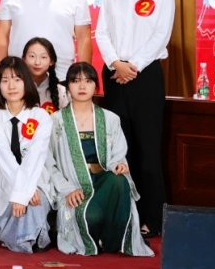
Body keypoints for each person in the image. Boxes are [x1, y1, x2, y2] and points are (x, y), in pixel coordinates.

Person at [95, 0, 174, 238]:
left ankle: (152, 218)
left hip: (146, 75)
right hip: (115, 75)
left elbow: (160, 36)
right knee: (121, 150)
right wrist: (116, 64)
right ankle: (125, 216)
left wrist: (133, 66)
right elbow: (102, 33)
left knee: (148, 150)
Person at [45, 63, 154, 256]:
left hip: (104, 181)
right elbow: (49, 164)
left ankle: (113, 240)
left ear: (96, 86)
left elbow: (119, 153)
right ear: (67, 86)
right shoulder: (55, 121)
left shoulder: (110, 119)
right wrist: (67, 189)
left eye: (88, 81)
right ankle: (98, 235)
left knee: (119, 181)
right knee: (92, 217)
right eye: (75, 81)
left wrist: (119, 165)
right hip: (75, 186)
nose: (82, 86)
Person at [0, 57, 53, 253]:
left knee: (35, 202)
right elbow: (2, 154)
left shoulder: (40, 116)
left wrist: (26, 191)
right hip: (4, 176)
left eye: (17, 79)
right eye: (5, 80)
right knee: (1, 216)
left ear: (26, 82)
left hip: (36, 177)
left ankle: (24, 239)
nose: (11, 86)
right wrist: (22, 192)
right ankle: (33, 236)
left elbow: (35, 157)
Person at [23, 37, 69, 113]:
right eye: (32, 56)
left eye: (43, 57)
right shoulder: (16, 89)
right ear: (24, 59)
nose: (37, 62)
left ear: (51, 61)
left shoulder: (61, 92)